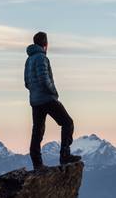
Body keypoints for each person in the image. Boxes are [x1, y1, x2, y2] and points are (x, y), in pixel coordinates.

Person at [24, 31, 81, 170]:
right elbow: (44, 79)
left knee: (37, 130)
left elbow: (26, 83)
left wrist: (35, 92)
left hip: (35, 101)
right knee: (67, 122)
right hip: (47, 98)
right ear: (45, 44)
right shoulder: (41, 58)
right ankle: (65, 156)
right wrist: (53, 92)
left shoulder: (29, 59)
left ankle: (37, 163)